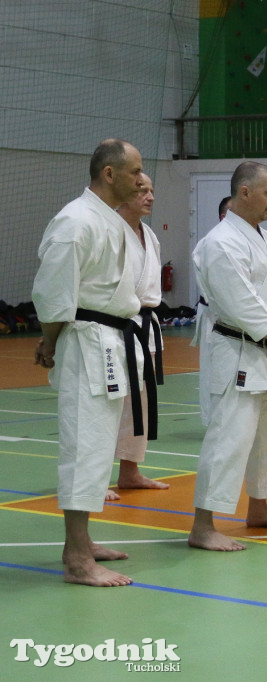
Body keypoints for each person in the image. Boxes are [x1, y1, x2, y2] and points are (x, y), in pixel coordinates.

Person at [32, 138, 146, 586]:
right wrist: (48, 341)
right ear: (109, 174)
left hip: (110, 341)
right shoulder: (75, 222)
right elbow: (54, 293)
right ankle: (78, 559)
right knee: (84, 446)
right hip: (85, 342)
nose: (141, 179)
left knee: (99, 445)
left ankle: (82, 542)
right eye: (135, 171)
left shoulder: (109, 221)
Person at [190, 161, 267, 551]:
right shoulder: (219, 242)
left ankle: (259, 508)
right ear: (244, 193)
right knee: (229, 439)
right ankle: (203, 526)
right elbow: (240, 302)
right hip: (239, 352)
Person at [105, 173, 169, 502]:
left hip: (144, 327)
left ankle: (129, 473)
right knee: (108, 405)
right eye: (142, 190)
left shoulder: (150, 235)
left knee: (138, 405)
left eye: (152, 190)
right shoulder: (108, 231)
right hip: (114, 327)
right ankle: (95, 477)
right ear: (124, 192)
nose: (150, 196)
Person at [192, 199, 230, 426]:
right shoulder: (209, 244)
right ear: (225, 216)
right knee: (211, 372)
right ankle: (212, 422)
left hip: (236, 318)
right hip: (215, 316)